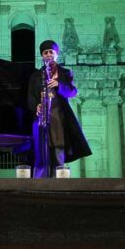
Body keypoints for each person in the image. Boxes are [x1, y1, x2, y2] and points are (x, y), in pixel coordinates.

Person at [27, 40, 92, 178]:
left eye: (51, 52)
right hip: (40, 118)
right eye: (45, 53)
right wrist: (36, 106)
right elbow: (30, 97)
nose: (48, 55)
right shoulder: (35, 76)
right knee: (40, 152)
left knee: (58, 149)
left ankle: (58, 183)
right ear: (42, 56)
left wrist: (58, 85)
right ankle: (39, 185)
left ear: (56, 54)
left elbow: (72, 92)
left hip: (58, 117)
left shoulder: (65, 73)